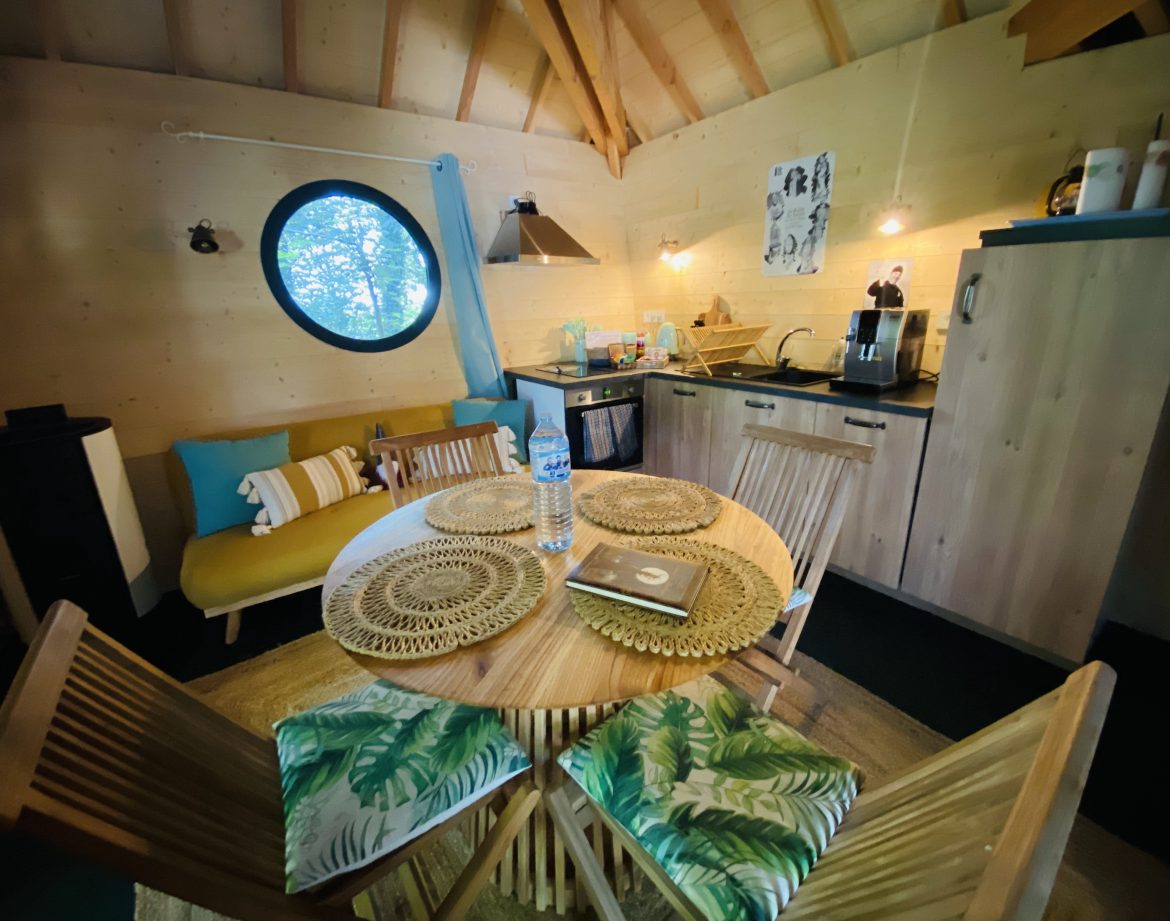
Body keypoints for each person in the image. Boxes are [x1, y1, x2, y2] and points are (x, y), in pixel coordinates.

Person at [763, 191, 784, 264]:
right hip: (774, 226)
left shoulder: (780, 206)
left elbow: (781, 214)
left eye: (775, 198)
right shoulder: (771, 208)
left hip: (778, 223)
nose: (774, 199)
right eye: (773, 198)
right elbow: (770, 217)